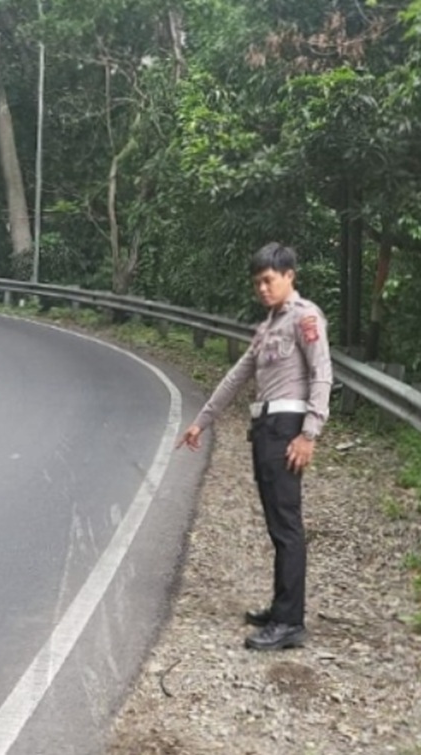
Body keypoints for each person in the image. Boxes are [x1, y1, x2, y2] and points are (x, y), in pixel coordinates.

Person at [178, 242, 333, 651]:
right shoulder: (267, 328)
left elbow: (321, 375)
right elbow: (235, 377)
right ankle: (282, 607)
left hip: (287, 429)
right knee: (276, 524)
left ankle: (290, 622)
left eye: (269, 280)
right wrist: (201, 422)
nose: (263, 288)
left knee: (286, 526)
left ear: (289, 276)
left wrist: (309, 434)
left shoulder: (306, 318)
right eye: (257, 283)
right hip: (265, 428)